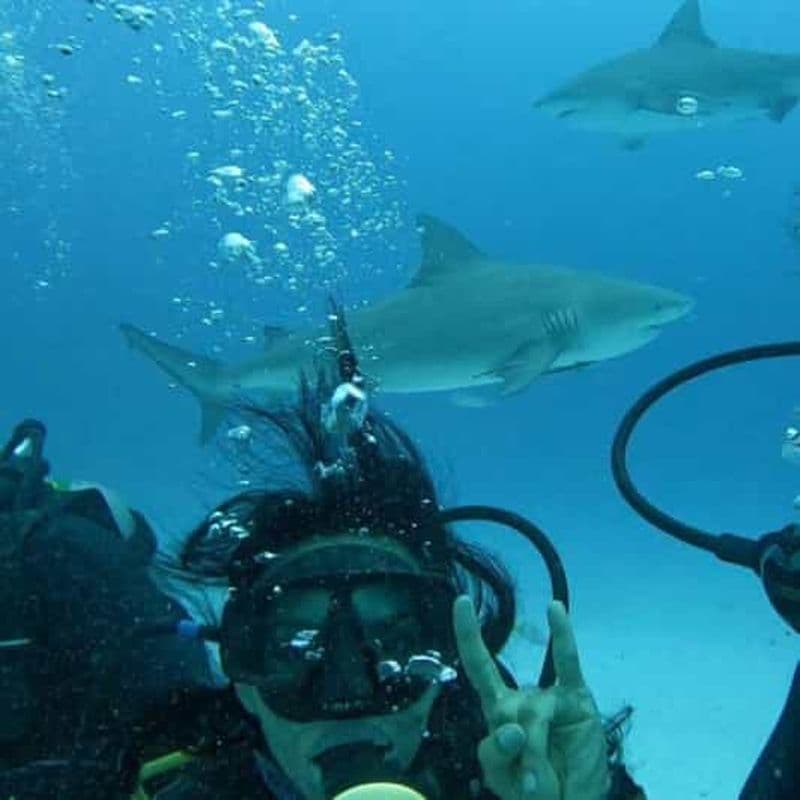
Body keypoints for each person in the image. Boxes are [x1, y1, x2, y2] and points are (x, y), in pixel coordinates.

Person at [0, 320, 646, 799]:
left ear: (445, 664)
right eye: (294, 647)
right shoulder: (151, 779)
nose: (350, 694)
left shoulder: (509, 775)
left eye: (395, 641)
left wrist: (595, 797)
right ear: (241, 674)